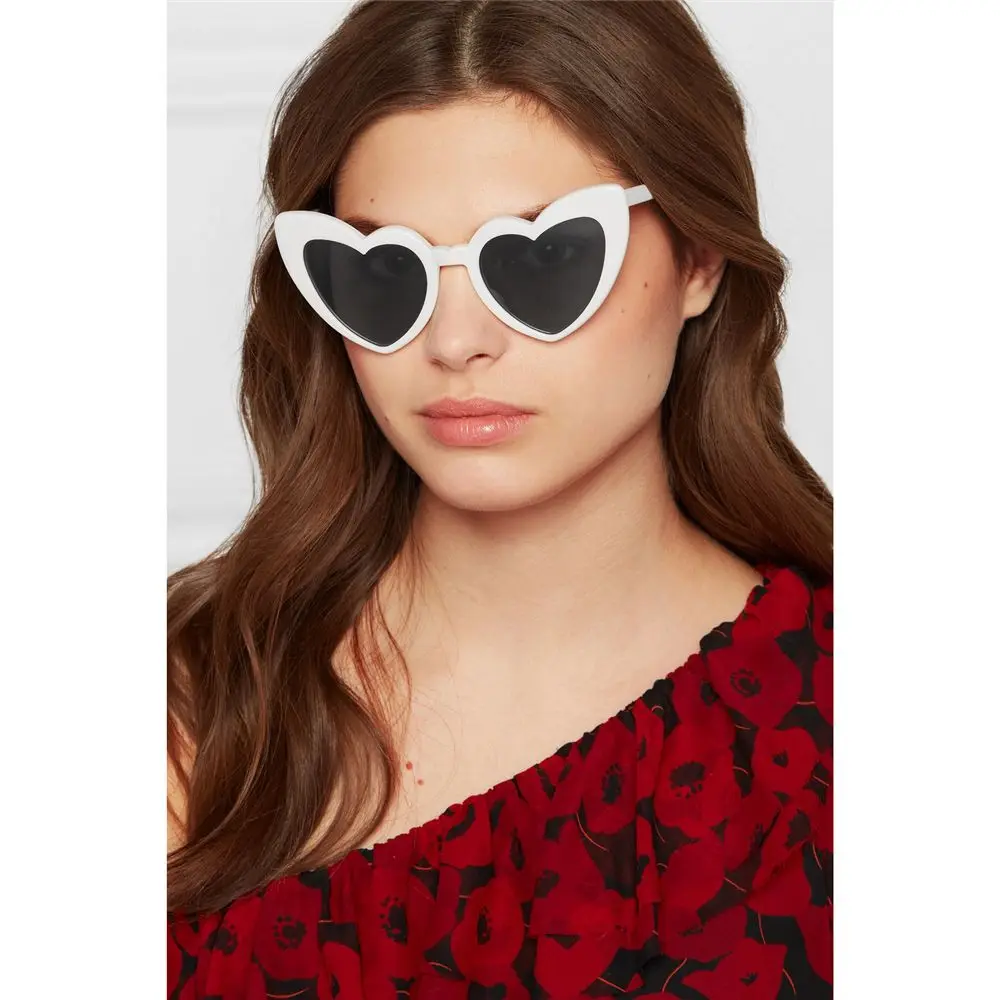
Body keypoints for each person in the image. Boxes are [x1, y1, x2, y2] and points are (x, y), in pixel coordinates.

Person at [167, 1, 833, 996]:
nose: (454, 340)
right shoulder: (192, 696)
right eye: (381, 272)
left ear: (698, 257)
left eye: (541, 258)